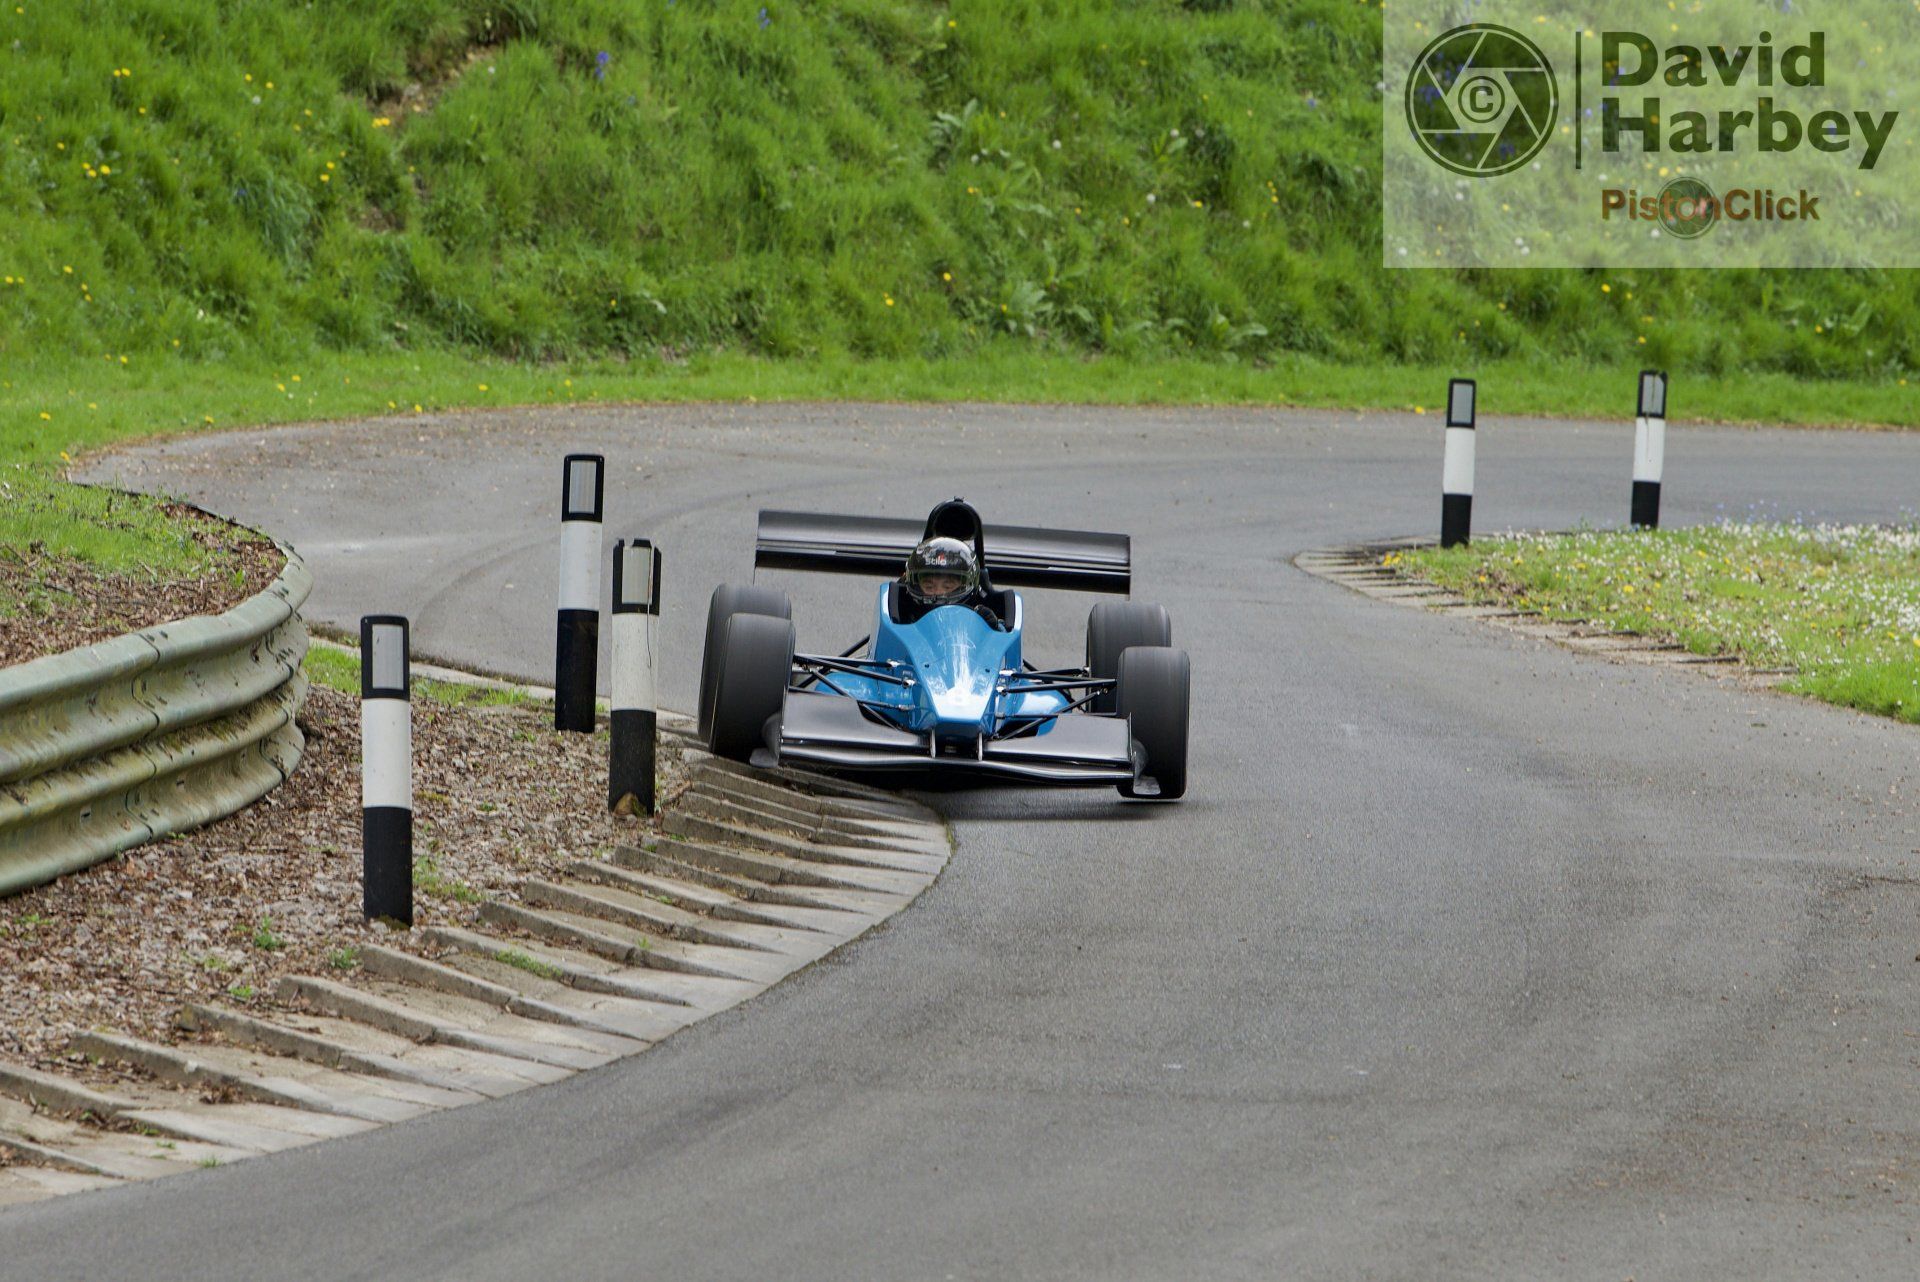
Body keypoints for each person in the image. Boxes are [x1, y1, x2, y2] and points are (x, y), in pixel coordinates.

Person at [899, 536, 1003, 626]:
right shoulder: (904, 613)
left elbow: (1002, 635)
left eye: (947, 587)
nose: (938, 592)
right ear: (916, 585)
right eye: (929, 587)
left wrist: (991, 627)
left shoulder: (980, 616)